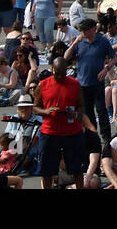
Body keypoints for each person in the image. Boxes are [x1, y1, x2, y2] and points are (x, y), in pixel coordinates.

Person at [34, 55, 91, 190]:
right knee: (47, 169)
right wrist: (46, 111)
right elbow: (35, 107)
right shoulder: (42, 85)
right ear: (51, 69)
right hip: (50, 132)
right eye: (57, 73)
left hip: (72, 132)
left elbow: (82, 107)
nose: (60, 77)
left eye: (63, 74)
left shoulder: (75, 84)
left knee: (77, 168)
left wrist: (75, 114)